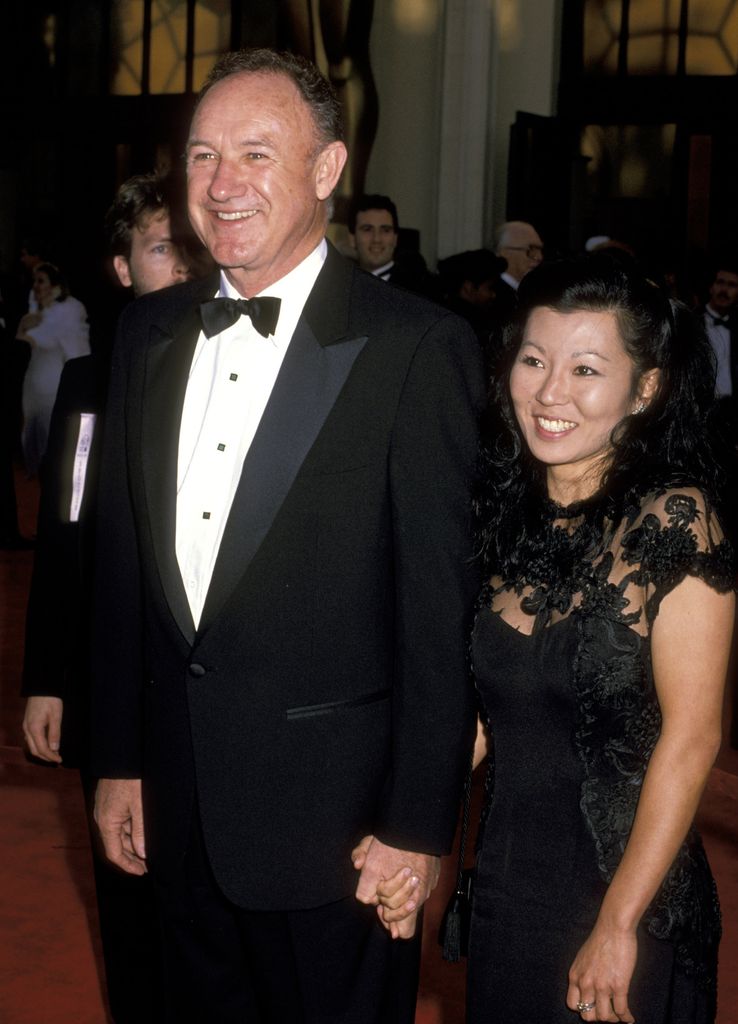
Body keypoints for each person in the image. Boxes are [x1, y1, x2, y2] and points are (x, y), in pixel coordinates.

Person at [91, 47, 484, 1024]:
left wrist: (416, 824)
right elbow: (123, 574)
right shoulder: (144, 337)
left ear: (327, 169)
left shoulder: (416, 348)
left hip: (339, 841)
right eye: (202, 155)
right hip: (177, 813)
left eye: (257, 154)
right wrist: (119, 758)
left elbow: (439, 617)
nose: (222, 185)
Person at [376, 253, 736, 1023]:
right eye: (534, 360)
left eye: (585, 370)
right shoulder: (504, 514)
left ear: (646, 389)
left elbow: (693, 739)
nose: (549, 393)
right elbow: (479, 720)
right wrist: (412, 837)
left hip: (628, 893)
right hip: (511, 886)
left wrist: (618, 922)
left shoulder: (673, 519)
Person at [21, 172, 193, 1024]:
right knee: (125, 892)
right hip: (109, 678)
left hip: (209, 687)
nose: (186, 266)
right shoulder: (89, 386)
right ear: (124, 268)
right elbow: (64, 536)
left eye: (195, 247)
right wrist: (46, 676)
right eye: (165, 249)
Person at [15, 262, 89, 475]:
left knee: (52, 435)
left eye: (41, 281)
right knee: (31, 432)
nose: (36, 286)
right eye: (34, 282)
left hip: (53, 381)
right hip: (32, 381)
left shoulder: (70, 308)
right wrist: (23, 327)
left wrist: (25, 333)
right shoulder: (34, 310)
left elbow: (52, 342)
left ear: (54, 284)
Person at [349, 192, 437, 298]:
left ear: (395, 238)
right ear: (352, 238)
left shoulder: (421, 290)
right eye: (367, 229)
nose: (376, 239)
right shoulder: (340, 285)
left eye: (385, 230)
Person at [493, 219, 544, 319]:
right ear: (504, 252)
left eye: (540, 250)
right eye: (531, 250)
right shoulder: (493, 296)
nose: (539, 257)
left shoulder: (535, 293)